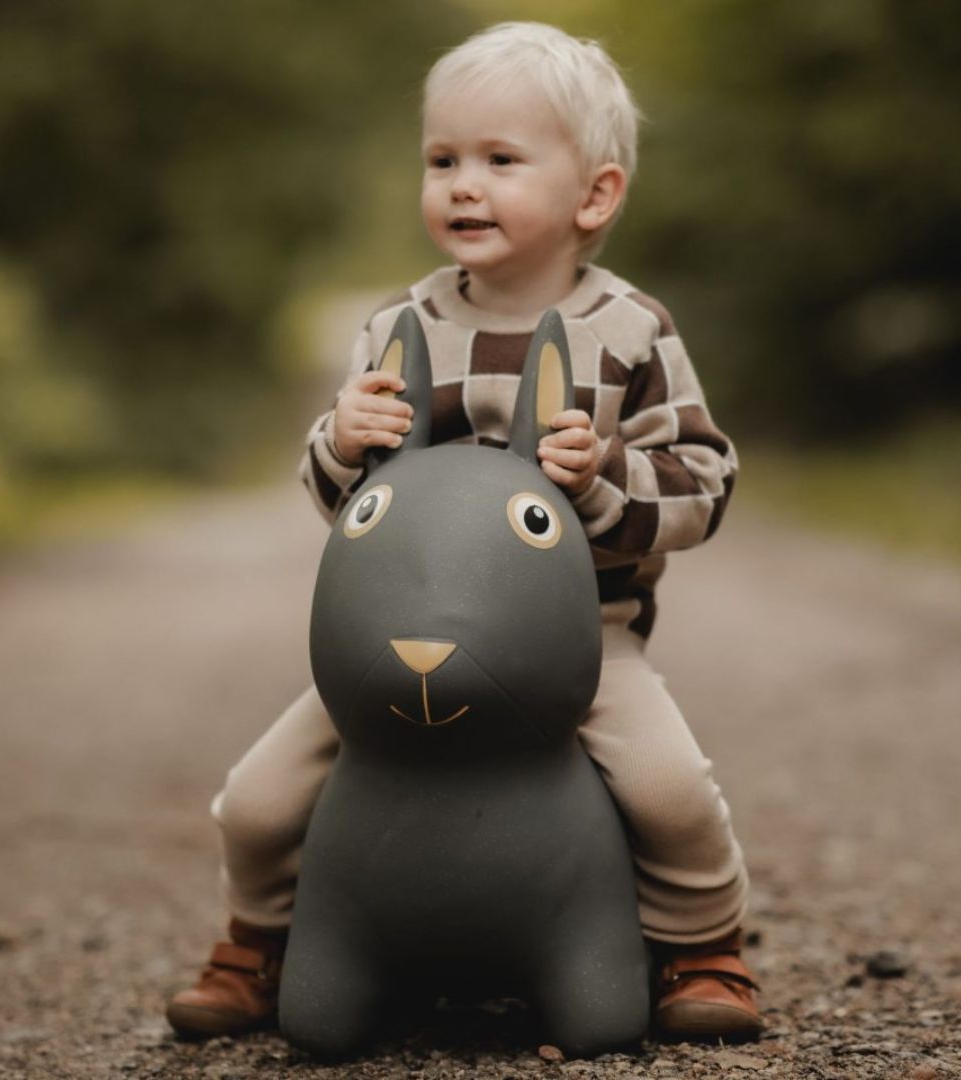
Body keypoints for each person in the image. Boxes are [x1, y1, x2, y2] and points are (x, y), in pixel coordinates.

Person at [167, 21, 763, 1042]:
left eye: (499, 160)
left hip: (583, 640)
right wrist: (341, 442)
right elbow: (352, 516)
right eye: (442, 160)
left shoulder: (630, 332)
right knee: (256, 799)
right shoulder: (402, 327)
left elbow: (705, 480)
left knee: (672, 789)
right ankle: (260, 942)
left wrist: (607, 477)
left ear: (594, 195)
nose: (462, 186)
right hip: (398, 645)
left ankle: (699, 947)